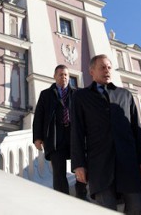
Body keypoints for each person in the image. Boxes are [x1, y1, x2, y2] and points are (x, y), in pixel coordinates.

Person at [71, 54, 141, 214]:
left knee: (137, 208)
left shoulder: (125, 95)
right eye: (102, 67)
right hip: (99, 164)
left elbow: (136, 129)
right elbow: (77, 132)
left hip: (128, 163)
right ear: (91, 71)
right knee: (106, 210)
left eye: (109, 67)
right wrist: (78, 164)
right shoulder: (80, 97)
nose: (106, 70)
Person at [32, 65, 87, 199]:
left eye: (66, 75)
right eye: (61, 75)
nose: (64, 77)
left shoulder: (77, 94)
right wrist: (37, 137)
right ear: (55, 76)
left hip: (75, 137)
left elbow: (85, 115)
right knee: (58, 173)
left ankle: (82, 196)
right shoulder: (46, 94)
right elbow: (39, 115)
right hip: (55, 138)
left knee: (80, 168)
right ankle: (63, 200)